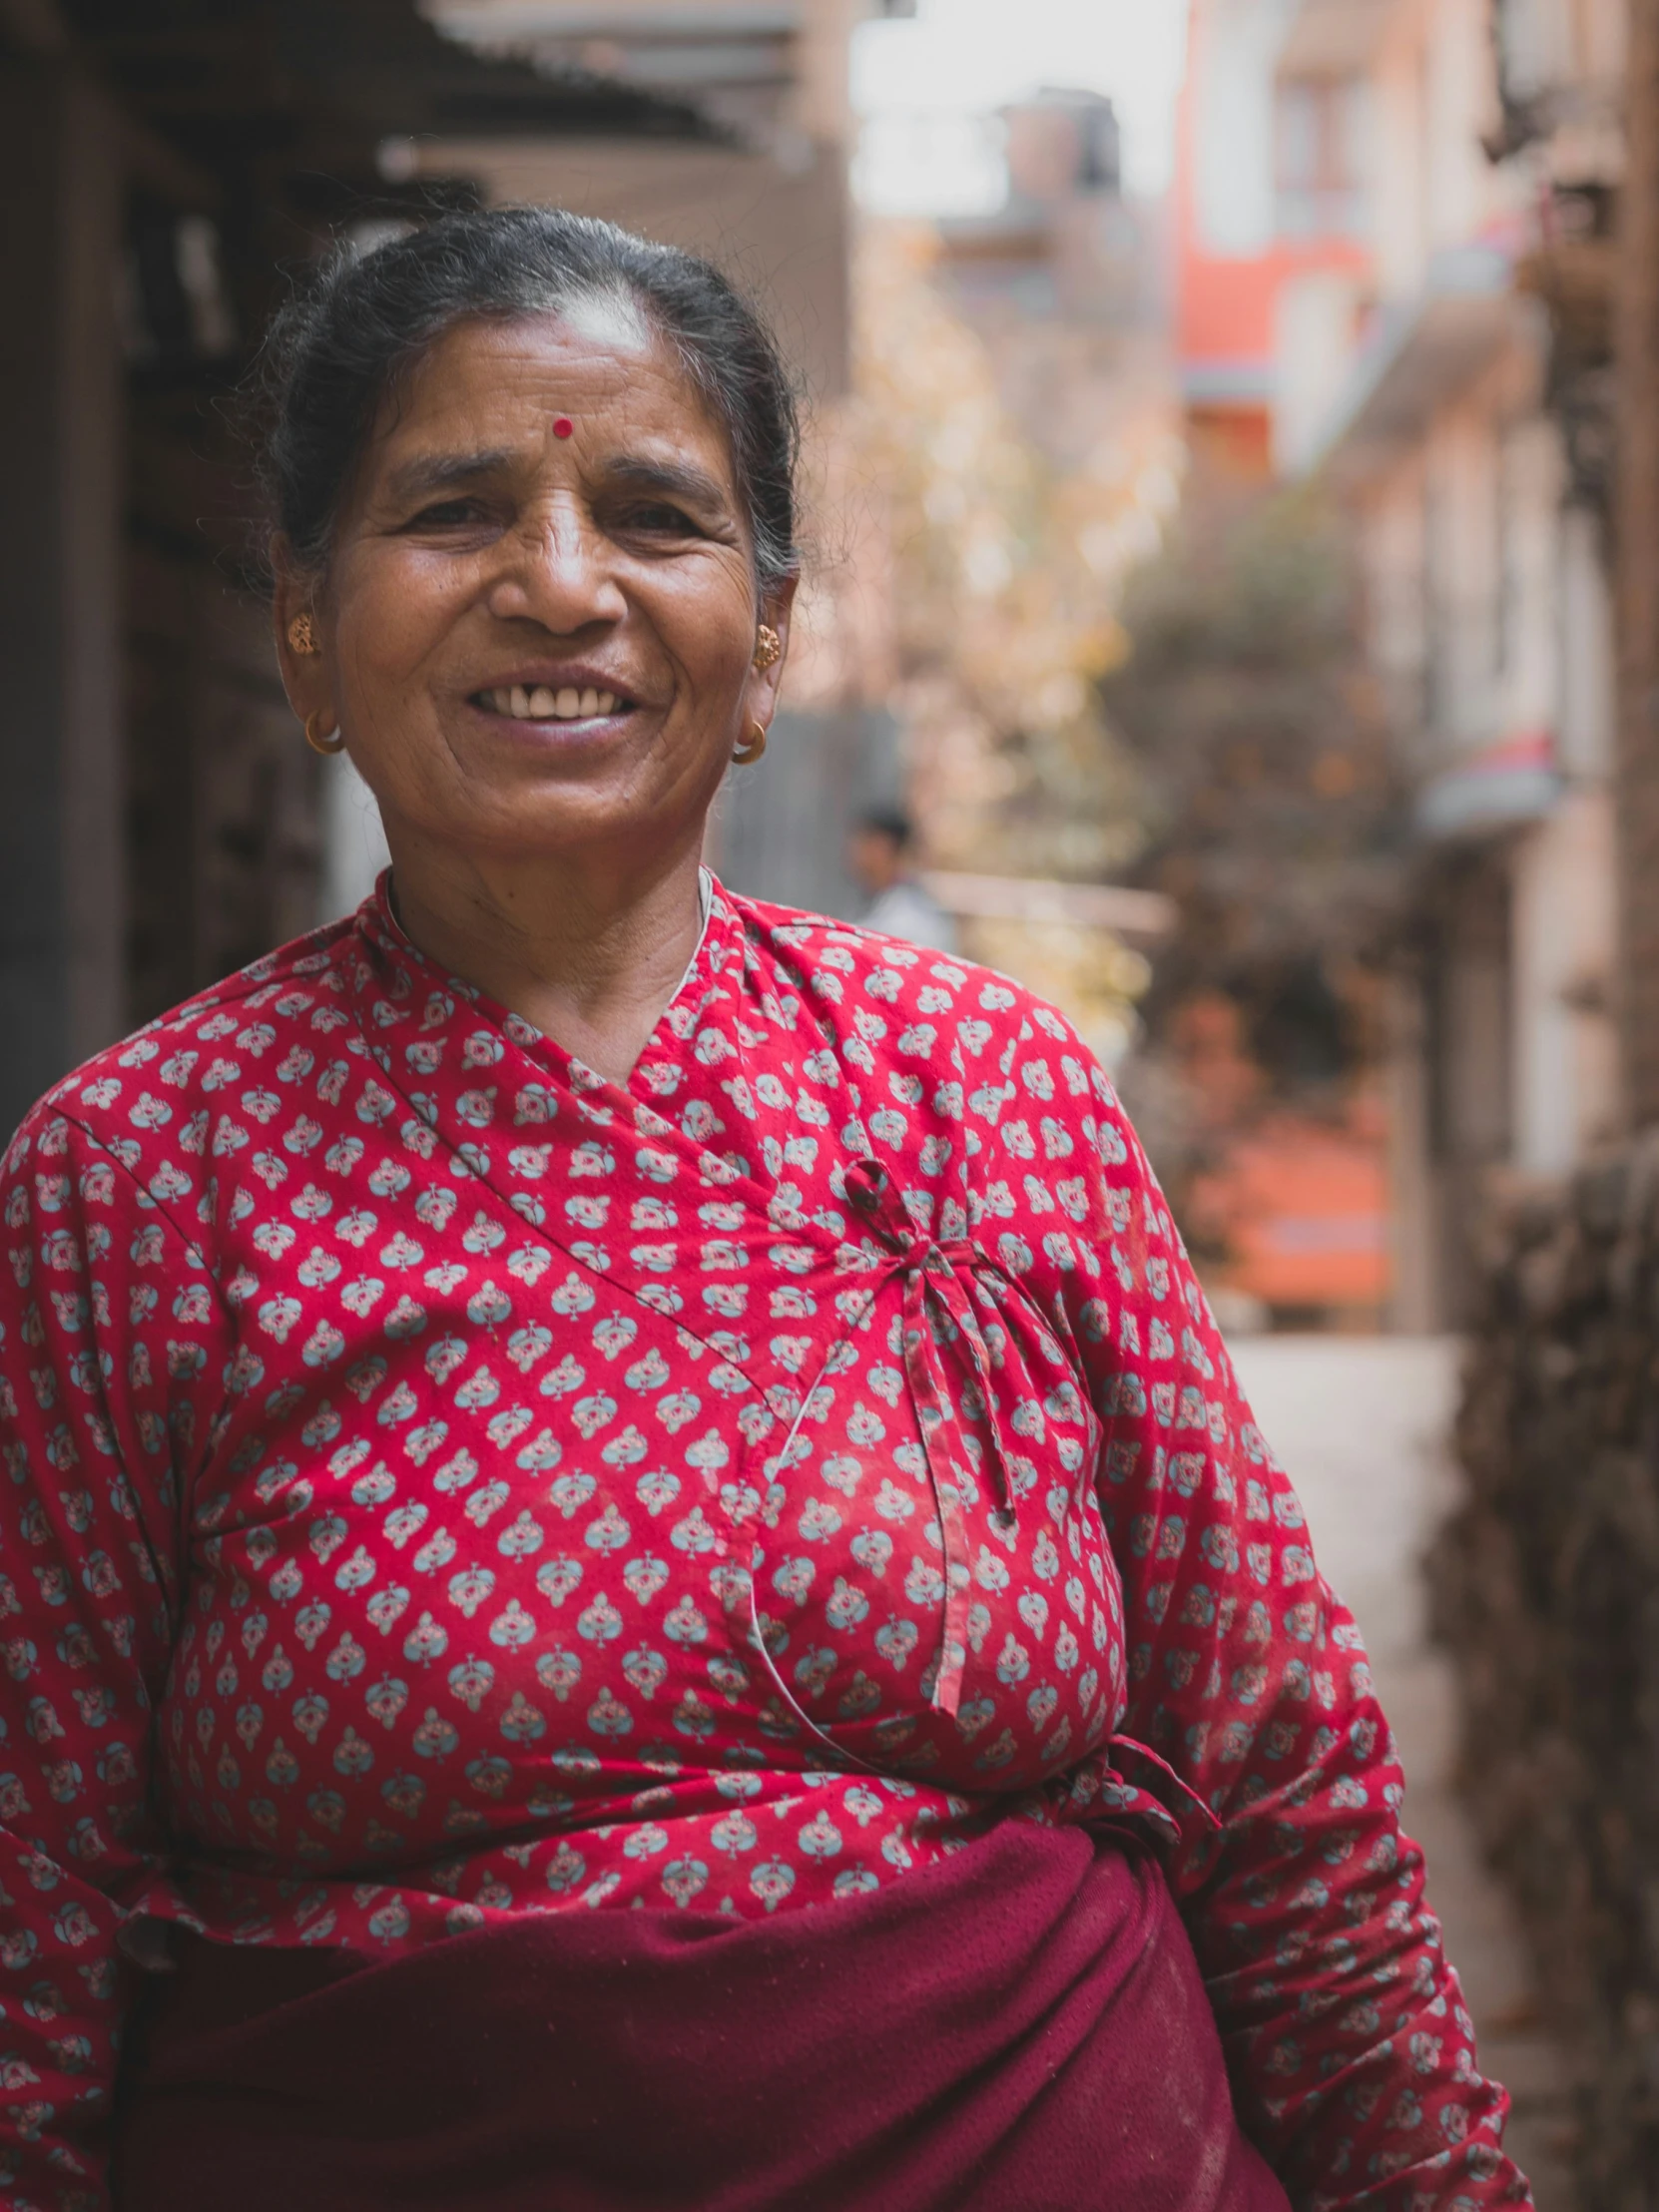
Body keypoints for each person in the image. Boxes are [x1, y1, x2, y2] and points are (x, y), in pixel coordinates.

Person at [0, 208, 1528, 2212]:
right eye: (456, 511)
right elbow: (30, 1909)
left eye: (656, 515)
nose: (562, 587)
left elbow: (1276, 1765)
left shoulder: (986, 1093)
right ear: (304, 624)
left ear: (768, 643)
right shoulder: (134, 1182)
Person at [845, 805, 960, 953]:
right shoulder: (868, 900)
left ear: (882, 847)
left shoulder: (914, 918)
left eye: (862, 841)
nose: (853, 849)